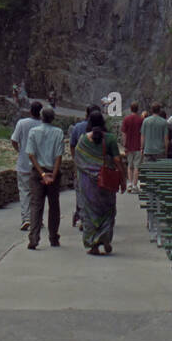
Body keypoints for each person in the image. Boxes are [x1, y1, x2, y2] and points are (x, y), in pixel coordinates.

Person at [74, 110, 125, 255]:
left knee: (90, 213)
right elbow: (117, 160)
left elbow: (77, 160)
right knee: (108, 211)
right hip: (106, 183)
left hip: (89, 185)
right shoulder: (109, 139)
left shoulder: (83, 140)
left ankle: (93, 245)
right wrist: (122, 179)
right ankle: (106, 239)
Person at [26, 105, 64, 249]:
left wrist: (41, 173)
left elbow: (31, 154)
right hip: (53, 172)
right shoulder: (58, 132)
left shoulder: (33, 132)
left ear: (41, 117)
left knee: (36, 205)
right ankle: (53, 237)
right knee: (54, 205)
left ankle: (34, 239)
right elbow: (58, 156)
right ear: (53, 118)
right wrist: (52, 175)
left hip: (37, 173)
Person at [11, 100, 43, 231]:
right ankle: (37, 219)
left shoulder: (22, 123)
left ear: (30, 111)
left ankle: (26, 218)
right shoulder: (44, 125)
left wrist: (20, 151)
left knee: (24, 192)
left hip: (23, 163)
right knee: (38, 194)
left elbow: (14, 140)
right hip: (40, 165)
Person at [69, 104, 101, 227]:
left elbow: (72, 145)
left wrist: (75, 159)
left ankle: (83, 216)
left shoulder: (78, 128)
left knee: (81, 191)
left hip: (81, 166)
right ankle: (92, 217)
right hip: (98, 168)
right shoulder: (103, 131)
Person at [121, 101, 143, 192]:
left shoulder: (126, 119)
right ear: (138, 109)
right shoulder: (141, 120)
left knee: (130, 165)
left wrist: (124, 145)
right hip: (138, 145)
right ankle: (135, 185)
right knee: (136, 166)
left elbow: (124, 133)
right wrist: (142, 146)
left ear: (130, 109)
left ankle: (129, 184)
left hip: (129, 146)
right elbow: (142, 134)